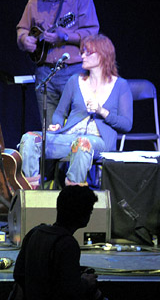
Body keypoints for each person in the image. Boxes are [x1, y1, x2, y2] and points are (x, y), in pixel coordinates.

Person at [19, 34, 132, 186]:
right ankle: (30, 192)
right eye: (82, 52)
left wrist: (102, 111)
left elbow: (126, 124)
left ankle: (74, 193)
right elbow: (59, 113)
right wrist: (57, 124)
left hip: (99, 140)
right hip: (69, 137)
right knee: (30, 138)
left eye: (87, 52)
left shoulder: (120, 85)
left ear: (102, 55)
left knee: (82, 143)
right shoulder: (75, 81)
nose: (82, 56)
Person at [16, 0, 100, 125]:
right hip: (45, 73)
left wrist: (65, 36)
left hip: (75, 71)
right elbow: (22, 28)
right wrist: (24, 39)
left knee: (77, 126)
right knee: (49, 129)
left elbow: (93, 33)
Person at [8, 185, 106, 300]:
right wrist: (86, 282)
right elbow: (69, 290)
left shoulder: (35, 232)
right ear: (84, 214)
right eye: (90, 210)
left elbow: (18, 274)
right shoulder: (67, 243)